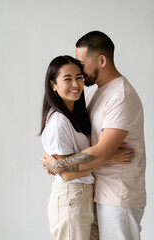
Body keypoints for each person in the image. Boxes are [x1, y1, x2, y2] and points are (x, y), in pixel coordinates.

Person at [41, 31, 146, 240]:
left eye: (81, 64)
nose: (79, 71)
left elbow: (102, 151)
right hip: (96, 193)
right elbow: (96, 149)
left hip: (118, 196)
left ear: (101, 60)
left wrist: (57, 166)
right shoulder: (95, 92)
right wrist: (106, 155)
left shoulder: (121, 95)